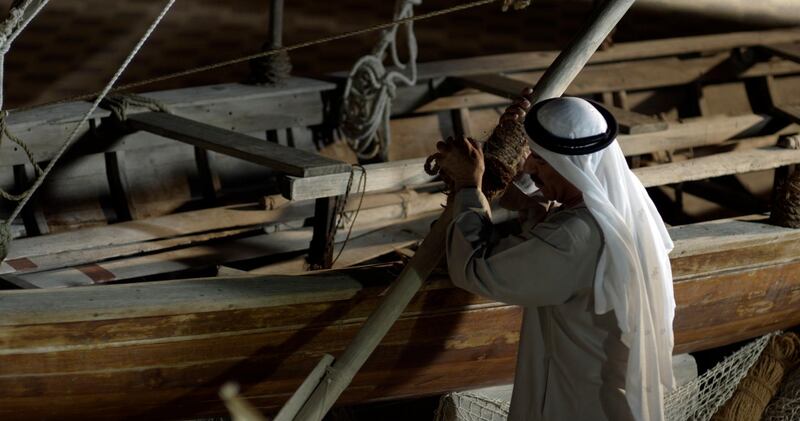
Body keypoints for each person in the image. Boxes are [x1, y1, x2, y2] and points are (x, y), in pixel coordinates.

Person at [435, 91, 676, 421]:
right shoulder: (624, 202)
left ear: (572, 167)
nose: (531, 165)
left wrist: (466, 188)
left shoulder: (573, 238)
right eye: (531, 154)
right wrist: (515, 167)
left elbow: (476, 269)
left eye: (541, 160)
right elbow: (546, 210)